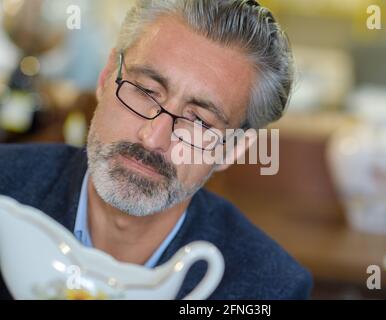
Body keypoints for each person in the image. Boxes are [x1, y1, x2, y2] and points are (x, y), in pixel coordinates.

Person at [0, 0, 312, 299]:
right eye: (146, 91)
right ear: (107, 76)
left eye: (200, 121)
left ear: (232, 150)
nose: (153, 138)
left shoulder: (268, 286)